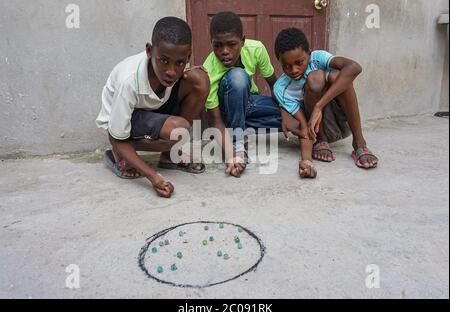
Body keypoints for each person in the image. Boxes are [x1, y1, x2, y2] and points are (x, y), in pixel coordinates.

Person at [96, 17, 209, 198]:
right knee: (178, 130)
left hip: (152, 111)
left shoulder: (173, 70)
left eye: (179, 62)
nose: (171, 71)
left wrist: (186, 70)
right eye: (163, 61)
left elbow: (182, 73)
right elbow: (115, 136)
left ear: (188, 57)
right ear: (149, 51)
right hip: (124, 122)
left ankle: (169, 156)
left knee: (199, 80)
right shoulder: (129, 81)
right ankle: (120, 155)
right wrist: (153, 177)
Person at [203, 11, 300, 177]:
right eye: (217, 45)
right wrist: (231, 156)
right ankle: (238, 144)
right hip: (225, 112)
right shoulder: (209, 70)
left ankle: (315, 133)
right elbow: (216, 119)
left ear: (243, 41)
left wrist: (286, 113)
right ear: (211, 43)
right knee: (238, 76)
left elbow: (275, 87)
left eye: (231, 44)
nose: (224, 51)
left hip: (249, 104)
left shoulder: (256, 49)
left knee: (297, 111)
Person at [273, 27, 379, 178]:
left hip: (342, 120)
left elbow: (355, 67)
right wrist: (306, 160)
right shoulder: (281, 88)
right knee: (315, 79)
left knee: (336, 77)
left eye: (299, 62)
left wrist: (319, 106)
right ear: (279, 61)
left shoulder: (318, 58)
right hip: (316, 130)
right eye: (287, 66)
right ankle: (321, 141)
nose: (294, 70)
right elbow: (304, 127)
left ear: (309, 53)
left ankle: (359, 142)